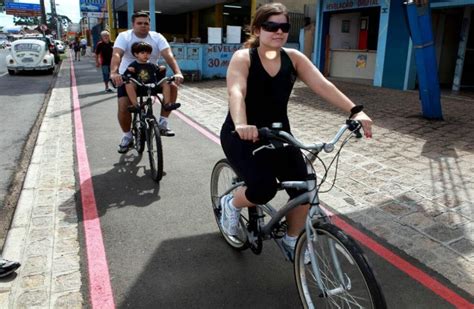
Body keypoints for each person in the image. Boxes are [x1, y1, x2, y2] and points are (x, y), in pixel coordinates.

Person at [219, 3, 373, 260]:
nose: (278, 32)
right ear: (258, 29)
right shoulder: (244, 58)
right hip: (242, 134)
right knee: (263, 189)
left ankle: (292, 240)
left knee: (304, 189)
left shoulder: (294, 58)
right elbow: (236, 92)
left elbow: (322, 85)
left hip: (280, 135)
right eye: (271, 26)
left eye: (284, 27)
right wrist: (241, 124)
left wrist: (355, 110)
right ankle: (231, 204)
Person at [110, 11, 184, 154]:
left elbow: (168, 55)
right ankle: (127, 136)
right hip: (129, 79)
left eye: (146, 23)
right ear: (133, 24)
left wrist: (177, 72)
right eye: (139, 23)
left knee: (172, 86)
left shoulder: (157, 37)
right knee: (124, 106)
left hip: (151, 78)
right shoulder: (124, 36)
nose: (143, 26)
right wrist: (114, 72)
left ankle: (163, 123)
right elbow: (116, 54)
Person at [124, 42, 181, 113]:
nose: (146, 55)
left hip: (153, 86)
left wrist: (161, 70)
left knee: (166, 82)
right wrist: (129, 71)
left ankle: (167, 104)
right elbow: (126, 76)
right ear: (136, 54)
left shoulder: (151, 65)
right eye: (142, 53)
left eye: (148, 53)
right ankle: (135, 105)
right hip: (140, 87)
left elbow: (159, 75)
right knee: (128, 84)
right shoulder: (133, 65)